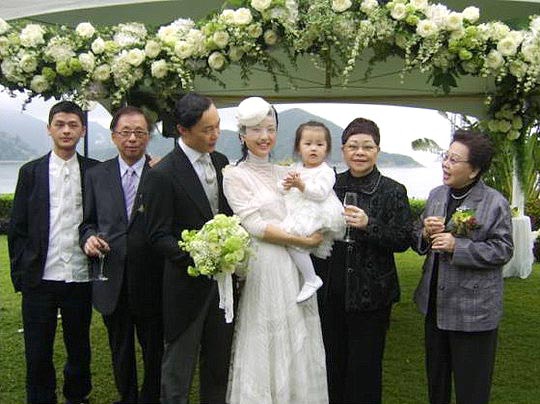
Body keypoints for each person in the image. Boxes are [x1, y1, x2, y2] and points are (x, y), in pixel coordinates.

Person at [223, 96, 328, 403]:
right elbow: (255, 225)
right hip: (265, 266)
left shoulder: (287, 174)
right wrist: (303, 242)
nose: (264, 136)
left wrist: (320, 228)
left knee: (298, 336)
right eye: (256, 130)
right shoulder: (234, 175)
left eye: (270, 129)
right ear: (242, 134)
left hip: (296, 268)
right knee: (266, 336)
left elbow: (310, 207)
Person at [313, 117, 412, 404]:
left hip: (372, 296)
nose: (360, 152)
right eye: (353, 146)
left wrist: (369, 224)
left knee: (365, 369)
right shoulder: (330, 185)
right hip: (331, 291)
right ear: (343, 150)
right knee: (332, 364)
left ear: (377, 150)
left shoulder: (393, 190)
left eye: (367, 146)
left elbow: (403, 239)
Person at [143, 92, 233, 404]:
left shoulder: (221, 162)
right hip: (184, 288)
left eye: (217, 126)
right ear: (183, 130)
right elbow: (158, 235)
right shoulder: (162, 174)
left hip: (222, 287)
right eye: (207, 129)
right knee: (178, 373)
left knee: (218, 367)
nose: (216, 134)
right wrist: (199, 258)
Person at [412, 129, 513, 404]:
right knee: (437, 386)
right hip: (435, 306)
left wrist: (459, 247)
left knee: (472, 390)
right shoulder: (436, 195)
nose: (445, 164)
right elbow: (416, 236)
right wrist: (425, 233)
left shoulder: (494, 202)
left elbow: (503, 249)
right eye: (446, 156)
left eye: (454, 160)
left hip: (473, 311)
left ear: (474, 170)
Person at [8, 101, 98, 404]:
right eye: (60, 124)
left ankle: (77, 396)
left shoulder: (95, 171)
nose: (66, 130)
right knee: (37, 350)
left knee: (79, 346)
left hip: (79, 275)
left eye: (73, 125)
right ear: (49, 129)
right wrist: (21, 273)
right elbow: (17, 228)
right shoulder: (31, 172)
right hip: (40, 277)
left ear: (83, 130)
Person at [79, 106, 164, 403]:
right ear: (114, 136)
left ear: (148, 137)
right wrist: (88, 239)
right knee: (120, 347)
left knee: (154, 349)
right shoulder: (95, 175)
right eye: (125, 132)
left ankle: (151, 398)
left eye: (139, 132)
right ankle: (126, 397)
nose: (132, 139)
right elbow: (87, 222)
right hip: (111, 276)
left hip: (152, 277)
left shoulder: (161, 173)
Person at [278, 121, 344, 303]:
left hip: (318, 212)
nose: (313, 148)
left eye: (319, 144)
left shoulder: (326, 171)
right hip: (301, 211)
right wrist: (287, 185)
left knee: (293, 239)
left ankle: (311, 279)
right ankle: (307, 278)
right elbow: (282, 188)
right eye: (308, 144)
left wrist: (301, 185)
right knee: (293, 243)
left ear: (327, 149)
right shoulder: (296, 168)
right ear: (298, 148)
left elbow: (320, 192)